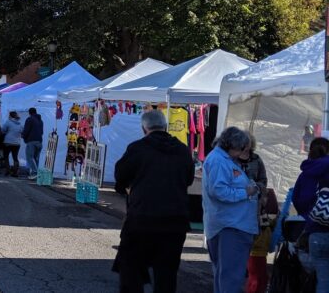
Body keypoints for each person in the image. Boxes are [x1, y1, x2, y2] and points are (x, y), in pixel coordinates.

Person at [112, 110, 195, 293]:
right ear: (165, 126)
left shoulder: (138, 148)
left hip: (142, 218)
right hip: (175, 220)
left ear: (144, 128)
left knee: (131, 269)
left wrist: (128, 187)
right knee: (166, 274)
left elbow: (120, 176)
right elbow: (188, 179)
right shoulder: (182, 150)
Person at [202, 127, 259, 293]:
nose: (243, 153)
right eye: (243, 149)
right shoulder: (219, 161)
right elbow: (218, 191)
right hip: (231, 226)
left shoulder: (221, 159)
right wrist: (246, 192)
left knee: (225, 275)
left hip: (227, 224)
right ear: (234, 146)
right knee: (231, 277)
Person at [293, 137, 329, 292]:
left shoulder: (305, 173)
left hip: (313, 232)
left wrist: (310, 214)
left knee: (321, 279)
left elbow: (297, 200)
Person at [238, 134, 269, 293]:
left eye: (249, 143)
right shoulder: (231, 159)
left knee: (253, 250)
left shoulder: (256, 159)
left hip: (254, 209)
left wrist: (256, 188)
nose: (247, 146)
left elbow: (264, 180)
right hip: (235, 209)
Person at [22, 107, 44, 180]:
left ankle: (34, 172)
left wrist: (24, 137)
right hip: (39, 141)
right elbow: (41, 132)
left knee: (30, 157)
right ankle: (34, 174)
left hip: (31, 141)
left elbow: (26, 130)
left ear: (29, 113)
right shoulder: (40, 121)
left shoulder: (29, 119)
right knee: (35, 158)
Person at [1, 111, 23, 177]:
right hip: (17, 143)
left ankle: (7, 170)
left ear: (10, 116)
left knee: (6, 156)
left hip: (8, 142)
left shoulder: (8, 122)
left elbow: (3, 130)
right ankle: (15, 172)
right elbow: (22, 132)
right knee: (15, 157)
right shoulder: (20, 124)